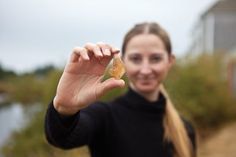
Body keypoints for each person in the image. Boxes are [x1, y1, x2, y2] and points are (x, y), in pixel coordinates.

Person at [45, 22, 196, 157]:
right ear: (123, 61)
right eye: (135, 58)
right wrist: (64, 109)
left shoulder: (185, 130)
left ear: (170, 61)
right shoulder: (105, 116)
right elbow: (62, 138)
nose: (145, 70)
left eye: (155, 58)